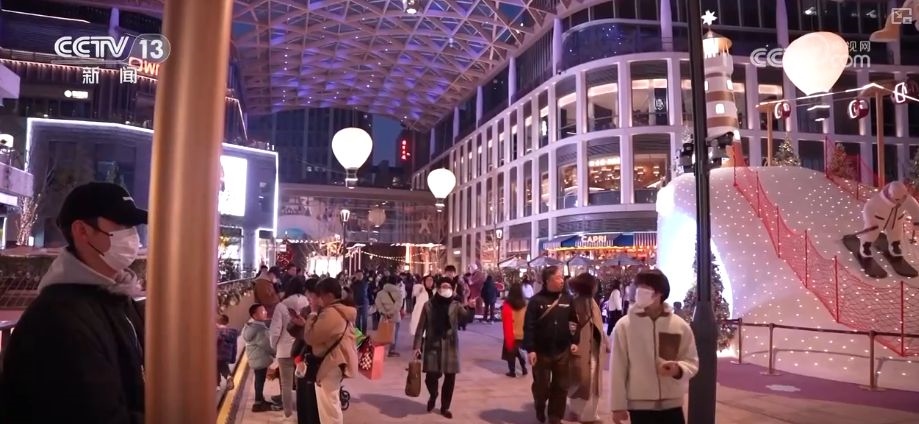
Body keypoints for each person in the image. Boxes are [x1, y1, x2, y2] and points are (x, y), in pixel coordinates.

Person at [0, 182, 147, 423]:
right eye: (121, 225)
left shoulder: (118, 298)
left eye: (132, 226)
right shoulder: (56, 320)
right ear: (82, 231)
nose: (132, 236)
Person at [610, 270, 699, 424]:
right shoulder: (624, 326)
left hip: (672, 404)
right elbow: (618, 368)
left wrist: (678, 369)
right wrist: (617, 406)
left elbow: (691, 360)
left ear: (659, 293)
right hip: (640, 406)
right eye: (637, 287)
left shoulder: (679, 325)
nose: (638, 291)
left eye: (645, 288)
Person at [412, 277, 474, 419]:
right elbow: (421, 327)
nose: (446, 289)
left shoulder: (456, 305)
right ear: (438, 288)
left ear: (452, 289)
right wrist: (417, 346)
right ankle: (433, 395)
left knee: (450, 379)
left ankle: (445, 407)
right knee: (430, 377)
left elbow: (466, 319)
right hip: (433, 346)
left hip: (450, 347)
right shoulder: (428, 306)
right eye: (443, 286)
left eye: (448, 287)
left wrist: (470, 307)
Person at [301, 277, 359, 424]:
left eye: (319, 295)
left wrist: (313, 313)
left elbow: (311, 337)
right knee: (330, 404)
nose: (317, 299)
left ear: (329, 296)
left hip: (331, 363)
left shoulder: (331, 313)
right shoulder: (339, 310)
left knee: (329, 407)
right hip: (334, 361)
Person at [523, 265, 573, 424]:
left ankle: (555, 416)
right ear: (548, 280)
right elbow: (529, 326)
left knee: (561, 386)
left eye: (562, 277)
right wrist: (530, 349)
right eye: (558, 278)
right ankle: (539, 404)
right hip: (541, 352)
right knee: (542, 386)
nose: (562, 281)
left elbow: (574, 321)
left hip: (562, 351)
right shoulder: (536, 301)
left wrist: (575, 340)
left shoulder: (568, 299)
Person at [567, 273, 609, 424]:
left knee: (584, 381)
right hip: (585, 348)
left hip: (590, 349)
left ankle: (577, 412)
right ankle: (586, 415)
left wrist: (605, 341)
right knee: (585, 382)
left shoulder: (584, 302)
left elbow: (598, 326)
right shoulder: (582, 303)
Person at [269, 275, 310, 418]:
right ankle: (302, 412)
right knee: (301, 383)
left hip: (284, 350)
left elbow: (275, 330)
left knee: (286, 383)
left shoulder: (281, 306)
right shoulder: (308, 304)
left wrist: (273, 346)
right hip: (302, 349)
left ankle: (287, 413)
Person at [244, 304, 281, 412]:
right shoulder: (259, 330)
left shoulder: (251, 327)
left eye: (264, 310)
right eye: (262, 311)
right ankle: (258, 403)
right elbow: (267, 345)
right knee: (260, 380)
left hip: (256, 357)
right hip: (260, 358)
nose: (265, 312)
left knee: (259, 379)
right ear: (254, 315)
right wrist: (277, 353)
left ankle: (260, 400)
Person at [374, 275, 405, 357]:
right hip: (395, 316)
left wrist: (384, 312)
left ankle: (382, 350)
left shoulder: (380, 293)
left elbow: (378, 304)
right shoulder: (398, 293)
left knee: (383, 332)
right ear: (396, 282)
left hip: (384, 317)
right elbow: (399, 305)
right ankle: (391, 350)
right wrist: (391, 312)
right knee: (394, 334)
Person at [501, 283, 528, 377]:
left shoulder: (507, 305)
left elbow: (506, 322)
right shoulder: (525, 305)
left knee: (511, 353)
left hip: (511, 333)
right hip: (522, 333)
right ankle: (524, 368)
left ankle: (512, 371)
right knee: (519, 352)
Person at [217, 314, 240, 390]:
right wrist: (233, 358)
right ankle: (228, 377)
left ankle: (217, 385)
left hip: (216, 352)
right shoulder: (232, 332)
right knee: (221, 365)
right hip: (227, 354)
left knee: (216, 366)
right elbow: (235, 346)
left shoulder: (216, 330)